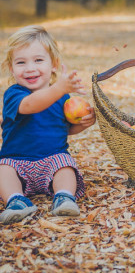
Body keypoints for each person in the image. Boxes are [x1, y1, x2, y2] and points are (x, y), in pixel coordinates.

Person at [0, 25, 96, 224]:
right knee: (3, 169)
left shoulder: (63, 98)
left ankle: (63, 197)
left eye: (38, 60)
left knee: (65, 166)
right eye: (20, 62)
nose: (30, 68)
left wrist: (83, 124)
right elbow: (29, 106)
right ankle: (16, 200)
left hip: (51, 160)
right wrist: (59, 88)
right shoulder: (15, 94)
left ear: (54, 64)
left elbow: (63, 129)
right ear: (11, 68)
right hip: (17, 162)